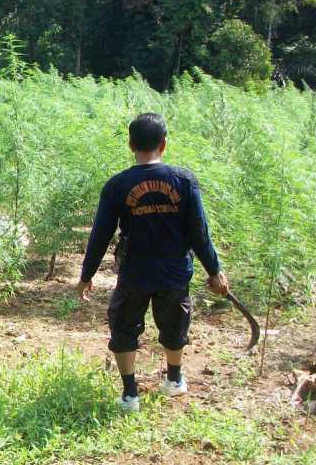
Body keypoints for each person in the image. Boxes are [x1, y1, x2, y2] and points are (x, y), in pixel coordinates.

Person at [76, 113, 228, 413]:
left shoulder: (118, 185)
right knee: (174, 324)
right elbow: (200, 233)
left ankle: (130, 395)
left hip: (135, 273)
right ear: (164, 144)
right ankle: (174, 379)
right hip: (174, 272)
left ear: (131, 144)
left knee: (124, 328)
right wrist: (215, 271)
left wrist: (86, 275)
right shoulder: (184, 181)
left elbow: (100, 235)